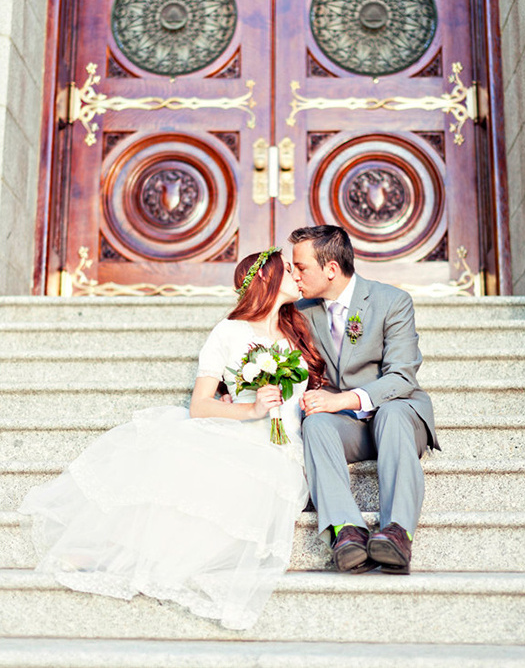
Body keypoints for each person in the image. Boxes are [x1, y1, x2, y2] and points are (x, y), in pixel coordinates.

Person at [19, 247, 324, 630]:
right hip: (242, 429)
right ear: (265, 277)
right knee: (185, 465)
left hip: (281, 450)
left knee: (239, 488)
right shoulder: (228, 332)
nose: (298, 274)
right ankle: (114, 548)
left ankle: (148, 555)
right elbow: (200, 405)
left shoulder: (298, 332)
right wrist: (249, 410)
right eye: (289, 269)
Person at [289, 225, 440, 575]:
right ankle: (347, 530)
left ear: (330, 269)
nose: (294, 275)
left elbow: (402, 377)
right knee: (316, 423)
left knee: (392, 414)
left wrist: (342, 400)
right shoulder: (302, 311)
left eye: (301, 267)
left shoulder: (392, 301)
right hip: (350, 430)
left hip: (398, 415)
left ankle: (398, 533)